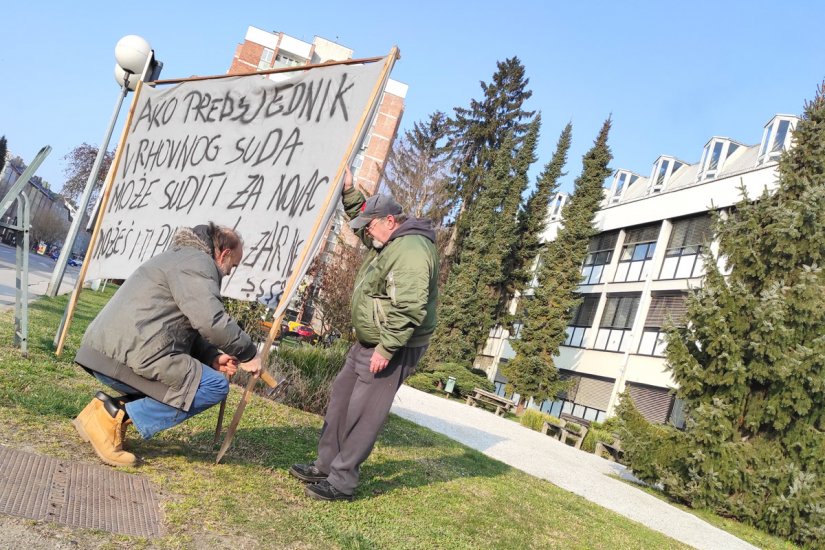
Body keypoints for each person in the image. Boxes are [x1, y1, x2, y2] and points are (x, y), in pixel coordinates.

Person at [290, 167, 439, 501]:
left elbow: (411, 306)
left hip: (394, 346)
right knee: (341, 398)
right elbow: (362, 217)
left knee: (363, 413)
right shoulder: (387, 240)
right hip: (370, 341)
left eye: (370, 227)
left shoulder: (411, 249)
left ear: (390, 220)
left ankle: (341, 482)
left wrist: (386, 349)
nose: (366, 234)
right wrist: (348, 190)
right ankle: (325, 464)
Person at [72, 222, 262, 467]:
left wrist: (211, 356)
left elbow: (178, 321)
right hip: (127, 354)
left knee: (188, 381)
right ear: (224, 254)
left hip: (112, 350)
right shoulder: (198, 263)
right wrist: (248, 353)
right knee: (214, 386)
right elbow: (211, 321)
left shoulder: (179, 258)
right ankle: (110, 416)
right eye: (232, 266)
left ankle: (101, 414)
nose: (228, 273)